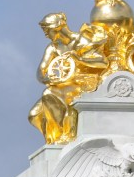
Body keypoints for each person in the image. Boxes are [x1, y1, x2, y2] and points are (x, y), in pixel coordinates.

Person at [28, 13, 107, 143]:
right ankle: (54, 140)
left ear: (57, 28)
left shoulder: (81, 41)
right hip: (62, 85)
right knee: (34, 115)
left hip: (82, 84)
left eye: (47, 31)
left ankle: (65, 138)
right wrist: (46, 79)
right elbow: (41, 70)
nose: (46, 35)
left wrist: (79, 59)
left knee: (49, 93)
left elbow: (102, 62)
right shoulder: (53, 48)